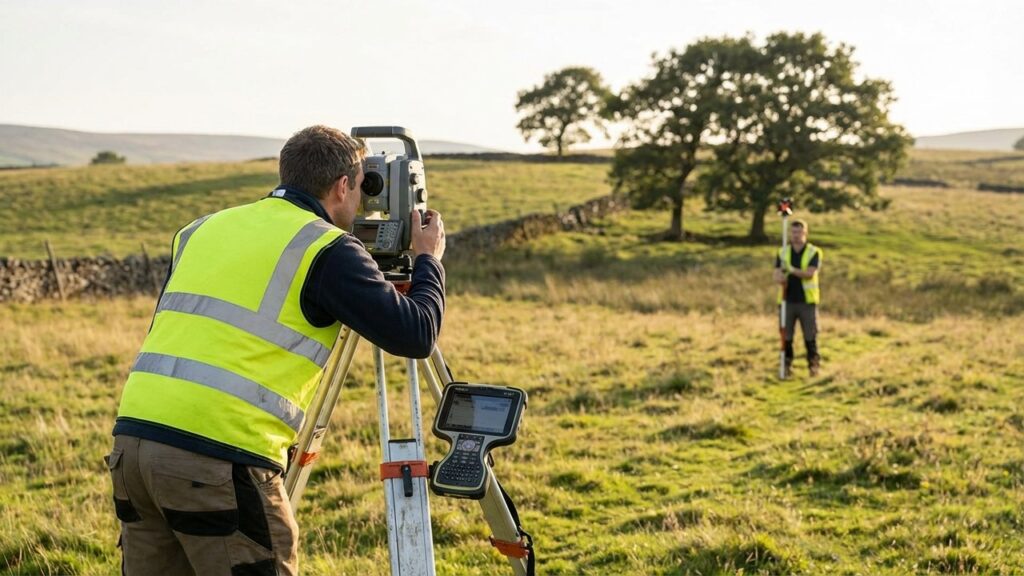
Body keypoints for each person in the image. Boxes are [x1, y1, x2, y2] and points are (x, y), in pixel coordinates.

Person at [104, 125, 446, 575]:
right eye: (363, 186)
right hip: (218, 456)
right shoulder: (326, 248)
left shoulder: (202, 229)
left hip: (133, 447)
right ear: (343, 185)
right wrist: (428, 259)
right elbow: (416, 334)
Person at [773, 219, 822, 378]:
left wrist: (791, 270)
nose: (796, 235)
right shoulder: (783, 252)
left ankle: (813, 366)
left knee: (810, 335)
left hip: (807, 302)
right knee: (786, 336)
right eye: (793, 232)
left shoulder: (813, 252)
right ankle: (786, 367)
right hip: (786, 301)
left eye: (799, 232)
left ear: (805, 233)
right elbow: (776, 274)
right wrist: (780, 277)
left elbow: (809, 274)